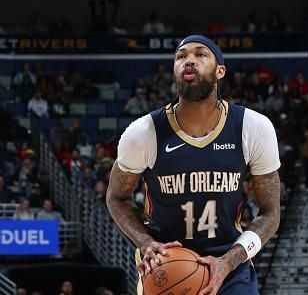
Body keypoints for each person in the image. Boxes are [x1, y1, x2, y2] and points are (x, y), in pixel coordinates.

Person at [106, 35, 281, 295]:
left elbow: (270, 214)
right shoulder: (143, 133)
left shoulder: (253, 127)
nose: (189, 60)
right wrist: (146, 243)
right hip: (165, 265)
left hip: (229, 264)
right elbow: (116, 198)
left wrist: (229, 260)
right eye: (181, 56)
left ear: (220, 71)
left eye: (200, 54)